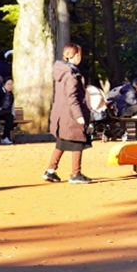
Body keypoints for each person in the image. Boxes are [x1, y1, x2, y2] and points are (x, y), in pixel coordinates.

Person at [44, 43, 92, 184]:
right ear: (76, 56)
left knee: (62, 142)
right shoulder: (71, 75)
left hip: (61, 114)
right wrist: (79, 116)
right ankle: (76, 174)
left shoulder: (62, 71)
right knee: (78, 142)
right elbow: (72, 97)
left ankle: (50, 170)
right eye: (79, 55)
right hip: (70, 114)